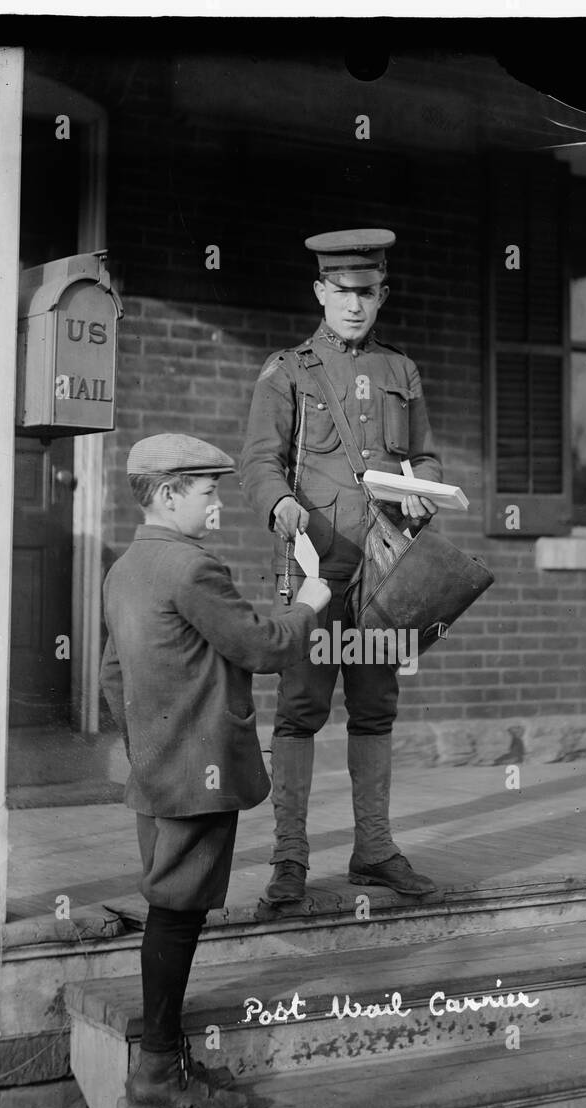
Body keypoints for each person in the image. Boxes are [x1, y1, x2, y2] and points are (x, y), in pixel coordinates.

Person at [100, 433, 331, 1108]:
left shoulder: (124, 569)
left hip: (159, 770)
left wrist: (143, 748)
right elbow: (259, 646)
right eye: (208, 491)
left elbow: (114, 675)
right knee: (176, 916)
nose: (218, 505)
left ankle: (163, 1063)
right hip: (199, 772)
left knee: (174, 909)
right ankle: (158, 1078)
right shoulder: (191, 569)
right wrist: (310, 602)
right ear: (169, 495)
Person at [239, 228, 441, 906]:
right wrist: (282, 505)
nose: (355, 305)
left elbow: (426, 458)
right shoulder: (288, 369)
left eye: (368, 292)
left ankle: (374, 849)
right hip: (317, 573)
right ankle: (289, 861)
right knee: (299, 712)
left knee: (376, 710)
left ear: (382, 294)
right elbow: (260, 462)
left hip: (385, 571)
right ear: (320, 291)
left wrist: (424, 492)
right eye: (342, 291)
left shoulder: (401, 372)